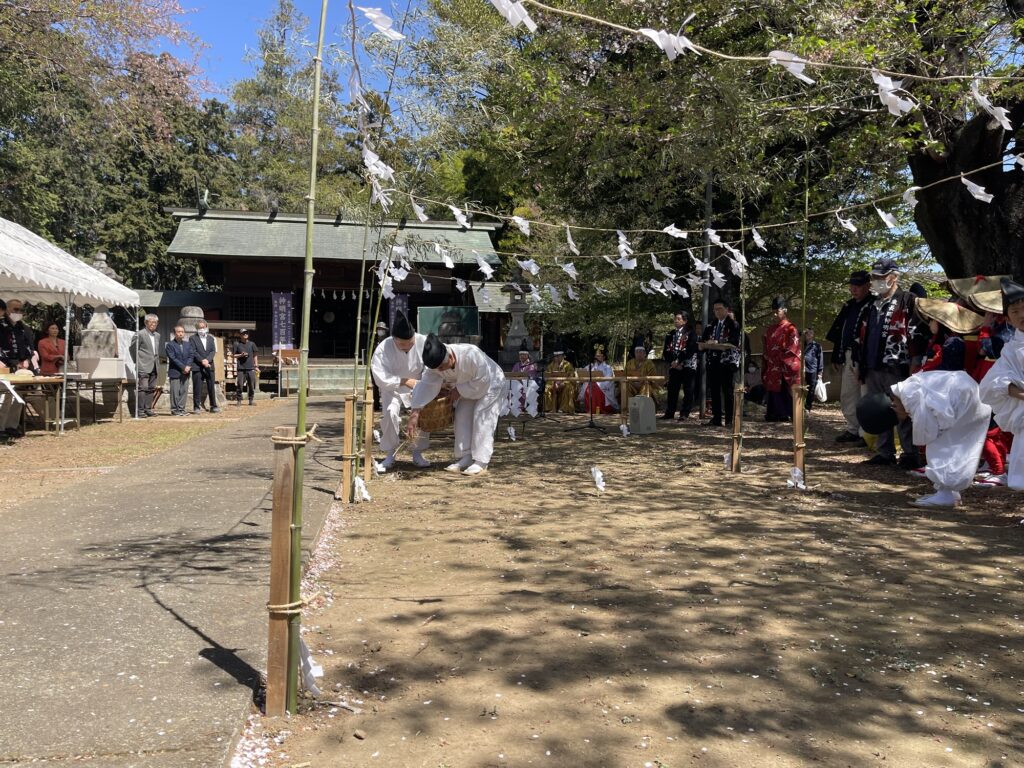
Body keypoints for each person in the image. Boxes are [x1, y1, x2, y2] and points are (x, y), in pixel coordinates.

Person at [859, 369, 991, 507]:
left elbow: (927, 433)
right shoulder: (908, 389)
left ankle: (945, 494)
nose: (903, 419)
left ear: (894, 407)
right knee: (956, 447)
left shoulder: (911, 396)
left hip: (965, 403)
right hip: (971, 399)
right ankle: (949, 491)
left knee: (942, 447)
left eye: (897, 418)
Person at [858, 258, 928, 468]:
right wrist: (860, 365)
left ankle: (909, 453)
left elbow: (917, 333)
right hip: (872, 364)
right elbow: (863, 335)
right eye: (874, 277)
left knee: (902, 409)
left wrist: (915, 364)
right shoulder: (871, 305)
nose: (877, 281)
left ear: (894, 277)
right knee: (879, 410)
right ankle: (884, 451)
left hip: (899, 364)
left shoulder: (909, 300)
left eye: (881, 277)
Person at [408, 334, 505, 476]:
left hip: (491, 384)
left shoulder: (471, 354)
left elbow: (483, 381)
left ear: (451, 357)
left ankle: (481, 461)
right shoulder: (435, 366)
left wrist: (459, 390)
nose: (440, 371)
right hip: (465, 387)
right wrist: (415, 412)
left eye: (442, 367)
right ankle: (465, 456)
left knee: (482, 418)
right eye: (437, 369)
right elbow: (426, 385)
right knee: (461, 416)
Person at [370, 311, 430, 470]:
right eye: (402, 344)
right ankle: (390, 453)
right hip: (393, 388)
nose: (407, 347)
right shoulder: (384, 347)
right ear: (394, 339)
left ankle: (418, 453)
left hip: (418, 385)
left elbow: (431, 367)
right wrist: (403, 381)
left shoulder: (422, 341)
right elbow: (379, 375)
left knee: (422, 416)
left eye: (410, 343)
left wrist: (422, 384)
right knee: (390, 413)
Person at [979, 278, 1024, 489]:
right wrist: (1019, 393)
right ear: (1008, 318)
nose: (1021, 315)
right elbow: (991, 384)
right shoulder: (1010, 349)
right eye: (1015, 312)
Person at [826, 270, 873, 443]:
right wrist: (837, 355)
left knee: (865, 394)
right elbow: (840, 332)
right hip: (849, 355)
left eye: (858, 286)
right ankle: (853, 429)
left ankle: (866, 433)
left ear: (867, 286)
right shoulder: (849, 305)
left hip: (865, 356)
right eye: (852, 286)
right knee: (848, 395)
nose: (854, 289)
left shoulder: (873, 305)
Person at [700, 298, 741, 427]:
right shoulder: (711, 324)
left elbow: (734, 340)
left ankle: (729, 419)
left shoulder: (733, 324)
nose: (717, 312)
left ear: (727, 310)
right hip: (713, 360)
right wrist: (705, 344)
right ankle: (716, 418)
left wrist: (719, 342)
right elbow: (704, 339)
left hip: (727, 361)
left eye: (720, 309)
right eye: (715, 309)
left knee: (727, 390)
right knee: (714, 390)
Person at [761, 296, 801, 422]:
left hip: (783, 364)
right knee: (773, 389)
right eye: (773, 311)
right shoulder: (770, 329)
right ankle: (773, 413)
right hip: (772, 365)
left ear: (784, 311)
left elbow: (793, 348)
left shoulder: (791, 329)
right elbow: (766, 347)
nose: (774, 314)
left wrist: (780, 359)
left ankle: (786, 413)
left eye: (777, 311)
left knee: (784, 389)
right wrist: (768, 358)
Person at [662, 311, 699, 420]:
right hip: (674, 366)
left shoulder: (691, 333)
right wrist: (673, 362)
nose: (676, 321)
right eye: (675, 318)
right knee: (672, 388)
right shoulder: (671, 334)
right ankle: (670, 412)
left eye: (678, 319)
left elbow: (691, 349)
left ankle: (684, 413)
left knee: (688, 390)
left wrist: (679, 361)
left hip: (688, 365)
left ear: (685, 321)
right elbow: (666, 350)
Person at [0, 298, 38, 374]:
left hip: (22, 367)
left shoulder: (25, 328)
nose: (19, 312)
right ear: (7, 310)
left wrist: (27, 360)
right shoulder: (1, 326)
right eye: (16, 309)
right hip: (4, 365)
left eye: (21, 310)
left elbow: (30, 348)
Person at [190, 320, 220, 413]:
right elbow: (193, 351)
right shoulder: (192, 338)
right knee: (197, 386)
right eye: (200, 327)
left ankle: (213, 405)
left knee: (211, 386)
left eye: (203, 327)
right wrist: (202, 360)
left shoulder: (211, 338)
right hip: (197, 365)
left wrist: (207, 360)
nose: (202, 329)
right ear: (197, 328)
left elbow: (213, 351)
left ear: (206, 327)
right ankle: (197, 406)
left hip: (209, 364)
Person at [133, 313, 160, 418]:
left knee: (151, 388)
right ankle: (140, 411)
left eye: (155, 322)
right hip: (143, 365)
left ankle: (148, 409)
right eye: (151, 322)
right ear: (146, 322)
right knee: (143, 387)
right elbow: (133, 349)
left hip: (154, 365)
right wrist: (138, 362)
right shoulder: (140, 334)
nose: (153, 324)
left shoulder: (157, 335)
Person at [579, 344, 618, 414]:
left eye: (600, 356)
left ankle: (600, 409)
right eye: (597, 356)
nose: (598, 358)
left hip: (602, 388)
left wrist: (598, 384)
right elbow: (582, 373)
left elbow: (608, 380)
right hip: (591, 386)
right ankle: (590, 409)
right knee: (589, 388)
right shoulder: (590, 366)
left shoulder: (608, 368)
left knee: (595, 388)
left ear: (603, 357)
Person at [164, 325, 192, 416]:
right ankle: (174, 409)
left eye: (182, 332)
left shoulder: (188, 344)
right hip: (175, 371)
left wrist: (188, 366)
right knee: (175, 391)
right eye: (178, 332)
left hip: (186, 371)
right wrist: (183, 367)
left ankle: (181, 408)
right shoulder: (170, 345)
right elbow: (173, 358)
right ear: (174, 333)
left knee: (184, 391)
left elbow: (191, 356)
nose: (181, 333)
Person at [510, 344, 539, 415]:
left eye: (523, 354)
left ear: (527, 355)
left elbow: (531, 376)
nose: (521, 356)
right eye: (520, 355)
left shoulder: (531, 365)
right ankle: (516, 406)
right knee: (513, 387)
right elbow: (512, 374)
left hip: (528, 384)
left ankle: (524, 406)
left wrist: (521, 380)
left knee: (524, 388)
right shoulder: (517, 365)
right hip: (518, 383)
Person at [232, 329, 259, 406]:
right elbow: (233, 355)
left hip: (250, 367)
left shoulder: (252, 344)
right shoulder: (237, 344)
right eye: (243, 333)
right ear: (240, 335)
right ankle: (239, 400)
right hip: (241, 368)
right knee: (240, 384)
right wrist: (241, 355)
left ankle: (251, 400)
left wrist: (256, 365)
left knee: (251, 385)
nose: (245, 335)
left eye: (246, 333)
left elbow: (255, 355)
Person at [803, 327, 824, 411]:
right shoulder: (801, 345)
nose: (809, 334)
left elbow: (820, 359)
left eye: (811, 333)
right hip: (802, 370)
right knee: (801, 388)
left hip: (812, 370)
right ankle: (800, 406)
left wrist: (820, 372)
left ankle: (808, 407)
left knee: (811, 389)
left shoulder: (817, 346)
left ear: (813, 334)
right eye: (807, 333)